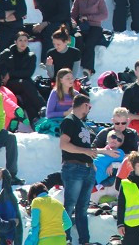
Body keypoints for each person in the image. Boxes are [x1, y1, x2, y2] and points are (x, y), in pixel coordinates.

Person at [59, 94, 105, 245]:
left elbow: (88, 147)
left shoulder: (83, 124)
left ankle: (85, 241)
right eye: (89, 107)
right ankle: (66, 238)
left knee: (82, 207)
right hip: (74, 167)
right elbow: (64, 145)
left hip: (88, 168)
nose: (89, 110)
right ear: (85, 105)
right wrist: (86, 152)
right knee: (70, 204)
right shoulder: (70, 121)